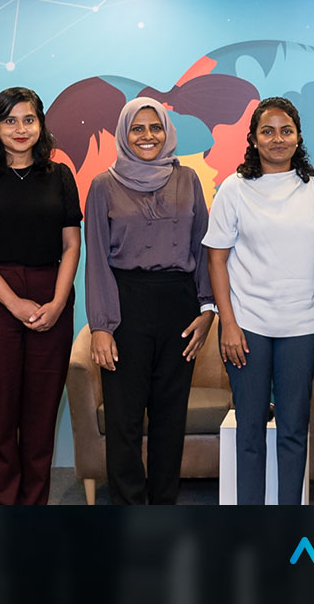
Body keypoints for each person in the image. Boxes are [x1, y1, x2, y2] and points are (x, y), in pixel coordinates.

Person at [0, 87, 81, 505]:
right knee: (0, 418)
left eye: (29, 119)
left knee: (41, 418)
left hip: (51, 295)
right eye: (10, 120)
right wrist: (13, 302)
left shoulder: (60, 176)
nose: (20, 128)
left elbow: (71, 245)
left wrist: (58, 303)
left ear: (41, 124)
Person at [202, 96, 314, 505]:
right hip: (247, 327)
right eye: (268, 131)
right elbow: (216, 259)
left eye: (286, 131)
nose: (278, 139)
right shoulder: (234, 189)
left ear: (298, 137)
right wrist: (228, 323)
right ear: (254, 139)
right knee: (250, 430)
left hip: (302, 327)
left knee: (294, 430)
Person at [85, 96, 215, 505]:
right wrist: (102, 326)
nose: (147, 136)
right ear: (124, 134)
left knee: (170, 417)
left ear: (167, 132)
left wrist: (207, 308)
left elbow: (203, 247)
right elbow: (96, 259)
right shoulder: (103, 185)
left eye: (155, 127)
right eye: (137, 128)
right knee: (123, 419)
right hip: (126, 305)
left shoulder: (188, 179)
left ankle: (163, 508)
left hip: (180, 306)